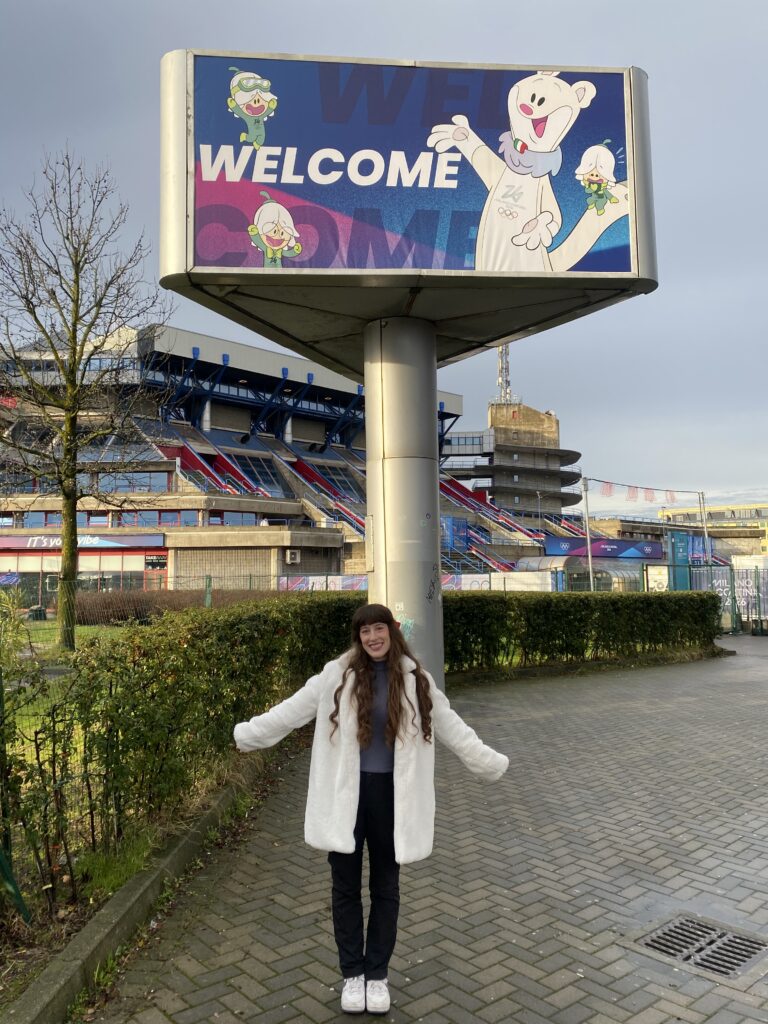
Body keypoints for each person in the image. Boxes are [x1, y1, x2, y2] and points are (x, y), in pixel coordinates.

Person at [233, 603, 509, 1015]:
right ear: (358, 637)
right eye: (365, 632)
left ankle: (377, 974)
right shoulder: (335, 676)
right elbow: (290, 711)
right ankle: (353, 975)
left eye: (379, 629)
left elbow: (453, 727)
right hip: (345, 797)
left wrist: (488, 761)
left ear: (392, 632)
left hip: (392, 798)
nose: (372, 638)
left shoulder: (418, 682)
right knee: (344, 888)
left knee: (385, 888)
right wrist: (246, 734)